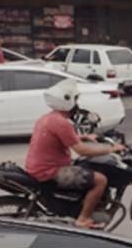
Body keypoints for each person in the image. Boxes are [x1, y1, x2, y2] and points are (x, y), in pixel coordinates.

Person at [24, 78, 125, 228]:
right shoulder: (61, 122)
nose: (77, 103)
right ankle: (83, 219)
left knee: (84, 168)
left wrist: (84, 137)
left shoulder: (49, 118)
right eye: (75, 99)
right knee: (100, 180)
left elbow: (63, 138)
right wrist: (111, 149)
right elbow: (81, 150)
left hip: (38, 167)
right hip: (49, 171)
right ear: (67, 101)